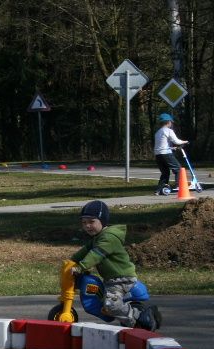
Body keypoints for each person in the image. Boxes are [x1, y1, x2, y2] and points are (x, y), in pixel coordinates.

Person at [70, 200, 157, 330]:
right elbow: (85, 251)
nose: (87, 226)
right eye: (84, 222)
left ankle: (140, 318)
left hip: (121, 279)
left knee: (110, 305)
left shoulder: (108, 238)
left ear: (102, 221)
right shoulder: (97, 238)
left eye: (91, 222)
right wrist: (71, 261)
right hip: (112, 279)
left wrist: (81, 267)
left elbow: (96, 254)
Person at [153, 113, 188, 195]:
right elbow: (176, 141)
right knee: (178, 168)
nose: (171, 124)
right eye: (171, 122)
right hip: (166, 154)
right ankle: (178, 186)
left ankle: (158, 190)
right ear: (168, 122)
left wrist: (172, 148)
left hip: (158, 155)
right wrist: (185, 141)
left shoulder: (158, 132)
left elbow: (161, 145)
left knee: (165, 172)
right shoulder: (168, 130)